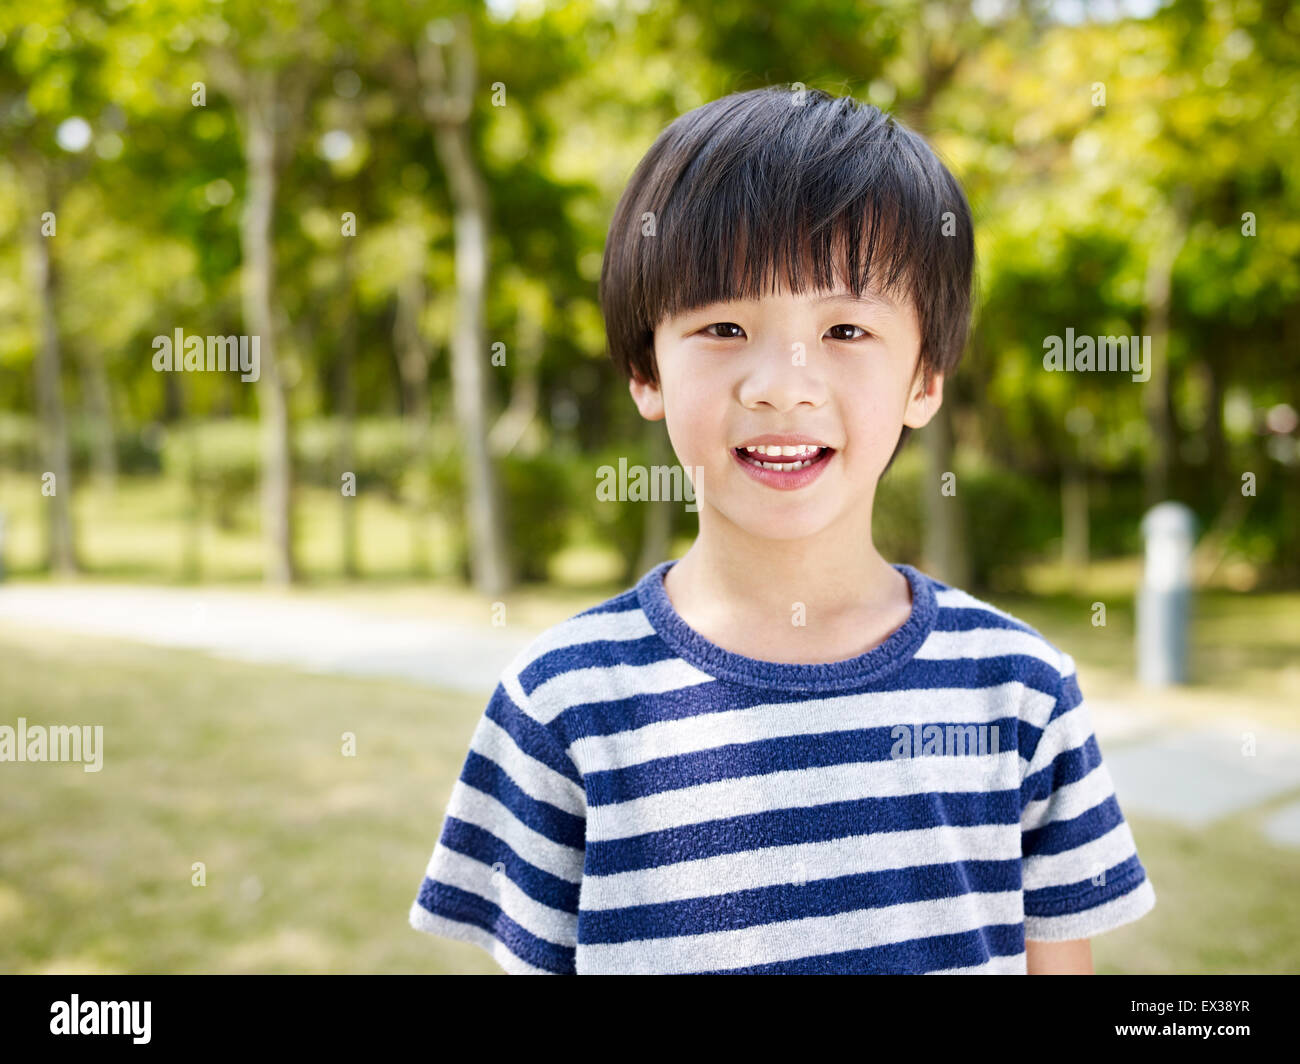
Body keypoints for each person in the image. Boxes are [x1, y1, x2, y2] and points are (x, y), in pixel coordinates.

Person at [408, 85, 1156, 974]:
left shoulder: (1020, 692)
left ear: (926, 379)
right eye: (725, 325)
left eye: (845, 328)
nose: (782, 385)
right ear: (648, 369)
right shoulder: (562, 703)